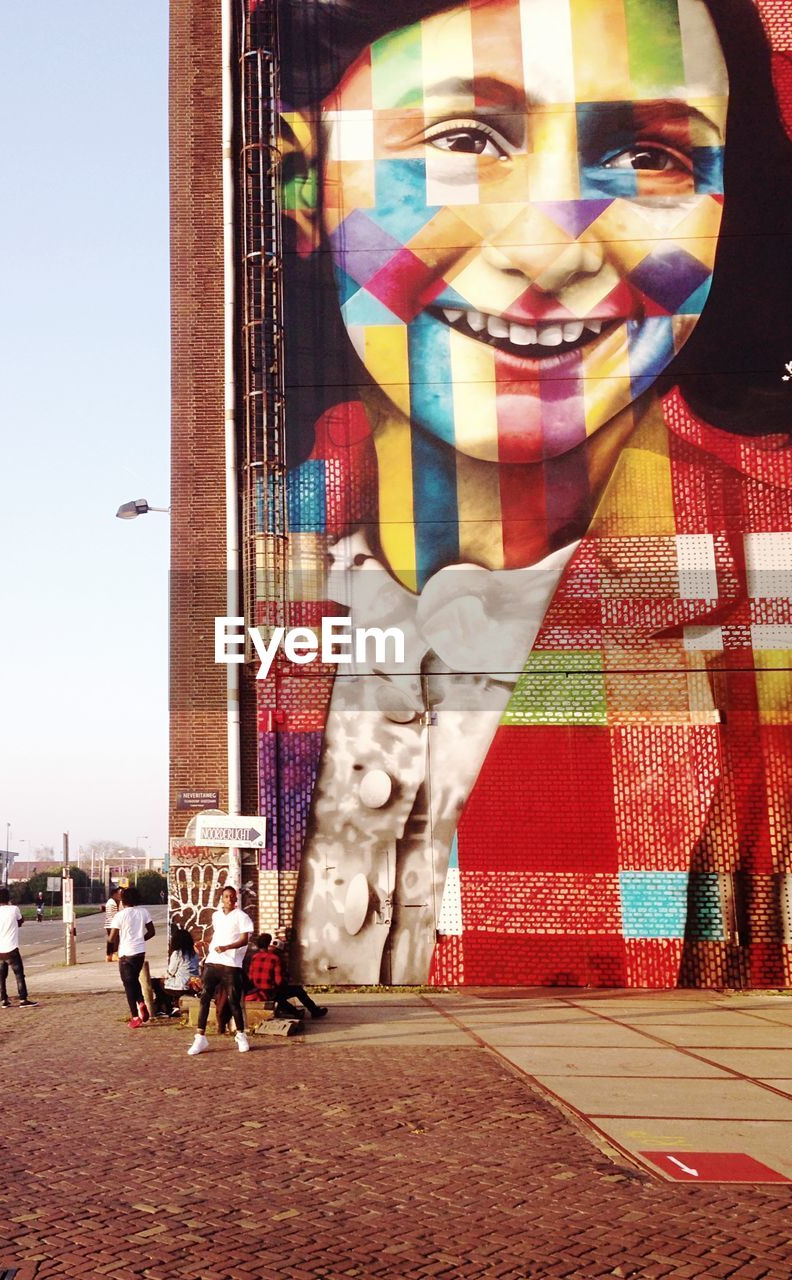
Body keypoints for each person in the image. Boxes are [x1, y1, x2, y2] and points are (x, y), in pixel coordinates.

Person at [256, 0, 792, 990]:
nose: (553, 251)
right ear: (301, 182)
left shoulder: (762, 598)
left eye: (652, 157)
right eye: (464, 140)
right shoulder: (268, 559)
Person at [188, 885, 254, 1055]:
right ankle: (200, 1037)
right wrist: (205, 941)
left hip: (231, 964)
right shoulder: (217, 916)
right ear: (222, 899)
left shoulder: (242, 917)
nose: (230, 899)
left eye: (232, 897)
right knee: (204, 997)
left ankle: (241, 1035)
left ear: (236, 899)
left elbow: (244, 940)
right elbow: (218, 934)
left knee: (233, 1001)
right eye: (226, 896)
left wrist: (227, 947)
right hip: (213, 962)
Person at [247, 934, 328, 1021]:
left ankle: (296, 1012)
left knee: (279, 995)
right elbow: (279, 981)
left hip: (257, 992)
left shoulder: (254, 957)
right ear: (268, 944)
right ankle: (314, 1011)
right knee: (297, 990)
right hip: (270, 993)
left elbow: (250, 977)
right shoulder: (274, 958)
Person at [108, 886, 155, 1027]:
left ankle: (135, 1016)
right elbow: (152, 932)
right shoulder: (143, 912)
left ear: (123, 900)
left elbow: (111, 938)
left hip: (125, 953)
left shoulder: (120, 915)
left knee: (128, 984)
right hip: (140, 952)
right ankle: (140, 1002)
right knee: (134, 980)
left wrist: (112, 948)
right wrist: (140, 939)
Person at [0, 889, 38, 1009]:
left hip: (0, 949)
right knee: (19, 974)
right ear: (9, 898)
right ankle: (23, 998)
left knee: (2, 975)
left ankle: (4, 999)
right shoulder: (14, 909)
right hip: (12, 948)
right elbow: (20, 921)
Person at [150, 925, 199, 1017]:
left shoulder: (177, 954)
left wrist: (163, 977)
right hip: (192, 985)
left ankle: (163, 1008)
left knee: (156, 983)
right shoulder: (194, 953)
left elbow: (171, 972)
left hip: (181, 986)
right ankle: (170, 1006)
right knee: (164, 983)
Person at [104, 885, 122, 961]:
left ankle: (109, 955)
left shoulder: (114, 902)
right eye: (119, 893)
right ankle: (114, 954)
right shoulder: (111, 903)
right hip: (112, 924)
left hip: (110, 924)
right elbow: (113, 915)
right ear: (114, 894)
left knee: (111, 940)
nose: (120, 895)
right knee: (115, 939)